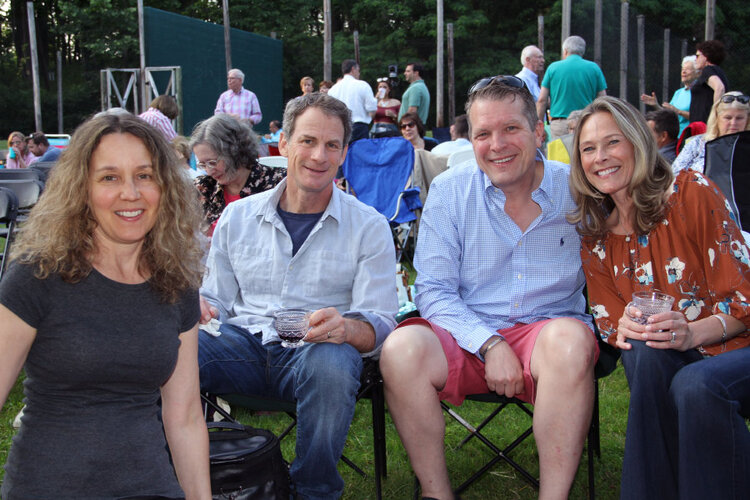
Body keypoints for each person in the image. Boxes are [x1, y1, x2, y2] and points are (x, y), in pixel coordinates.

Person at [380, 75, 598, 500]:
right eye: (483, 133)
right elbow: (434, 291)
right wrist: (490, 344)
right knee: (399, 350)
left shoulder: (578, 190)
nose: (497, 144)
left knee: (570, 341)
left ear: (538, 131)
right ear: (471, 138)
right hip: (466, 332)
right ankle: (437, 493)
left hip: (549, 337)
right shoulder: (449, 190)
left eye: (511, 129)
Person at [197, 93, 398, 500]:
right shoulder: (238, 217)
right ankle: (174, 477)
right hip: (243, 347)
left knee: (333, 361)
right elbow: (214, 298)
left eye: (332, 145)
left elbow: (381, 321)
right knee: (174, 344)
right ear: (284, 144)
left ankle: (313, 490)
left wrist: (346, 328)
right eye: (307, 141)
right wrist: (198, 307)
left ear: (344, 153)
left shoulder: (368, 225)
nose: (319, 155)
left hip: (314, 352)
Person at [0, 113, 210, 499]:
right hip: (50, 487)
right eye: (109, 177)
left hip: (149, 487)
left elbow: (184, 418)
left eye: (144, 175)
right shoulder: (38, 275)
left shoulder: (176, 281)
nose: (130, 193)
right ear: (82, 189)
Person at [569, 95, 750, 500]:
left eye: (612, 142)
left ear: (637, 142)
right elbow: (612, 324)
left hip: (739, 345)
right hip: (672, 360)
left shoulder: (690, 194)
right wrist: (627, 328)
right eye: (588, 148)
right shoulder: (596, 237)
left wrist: (690, 333)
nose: (601, 157)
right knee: (645, 347)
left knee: (696, 384)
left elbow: (746, 300)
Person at [191, 113, 286, 236]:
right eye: (202, 165)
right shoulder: (203, 187)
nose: (209, 171)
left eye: (212, 162)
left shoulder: (279, 183)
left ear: (235, 151)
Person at [537, 35, 607, 139]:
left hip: (559, 124)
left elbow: (542, 100)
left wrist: (539, 125)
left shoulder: (553, 68)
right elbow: (602, 98)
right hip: (585, 121)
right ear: (582, 52)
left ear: (565, 51)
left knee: (560, 154)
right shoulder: (594, 68)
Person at [672, 91, 750, 174]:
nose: (733, 123)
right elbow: (674, 175)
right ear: (716, 118)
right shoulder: (697, 143)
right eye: (728, 118)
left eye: (739, 118)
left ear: (747, 119)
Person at [640, 56, 699, 136]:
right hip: (676, 138)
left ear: (697, 73)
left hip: (691, 137)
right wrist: (655, 105)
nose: (683, 72)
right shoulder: (678, 93)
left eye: (688, 69)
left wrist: (678, 111)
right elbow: (669, 115)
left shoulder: (700, 92)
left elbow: (699, 117)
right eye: (682, 69)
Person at [328, 59, 378, 143]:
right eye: (358, 70)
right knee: (360, 155)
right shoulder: (363, 85)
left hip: (340, 127)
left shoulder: (333, 90)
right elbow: (372, 109)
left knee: (342, 154)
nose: (359, 73)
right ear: (353, 69)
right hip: (359, 128)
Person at [689, 40, 729, 125]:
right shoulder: (719, 72)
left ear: (706, 56)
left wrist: (715, 113)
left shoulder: (708, 69)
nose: (695, 60)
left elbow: (720, 88)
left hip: (704, 127)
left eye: (697, 56)